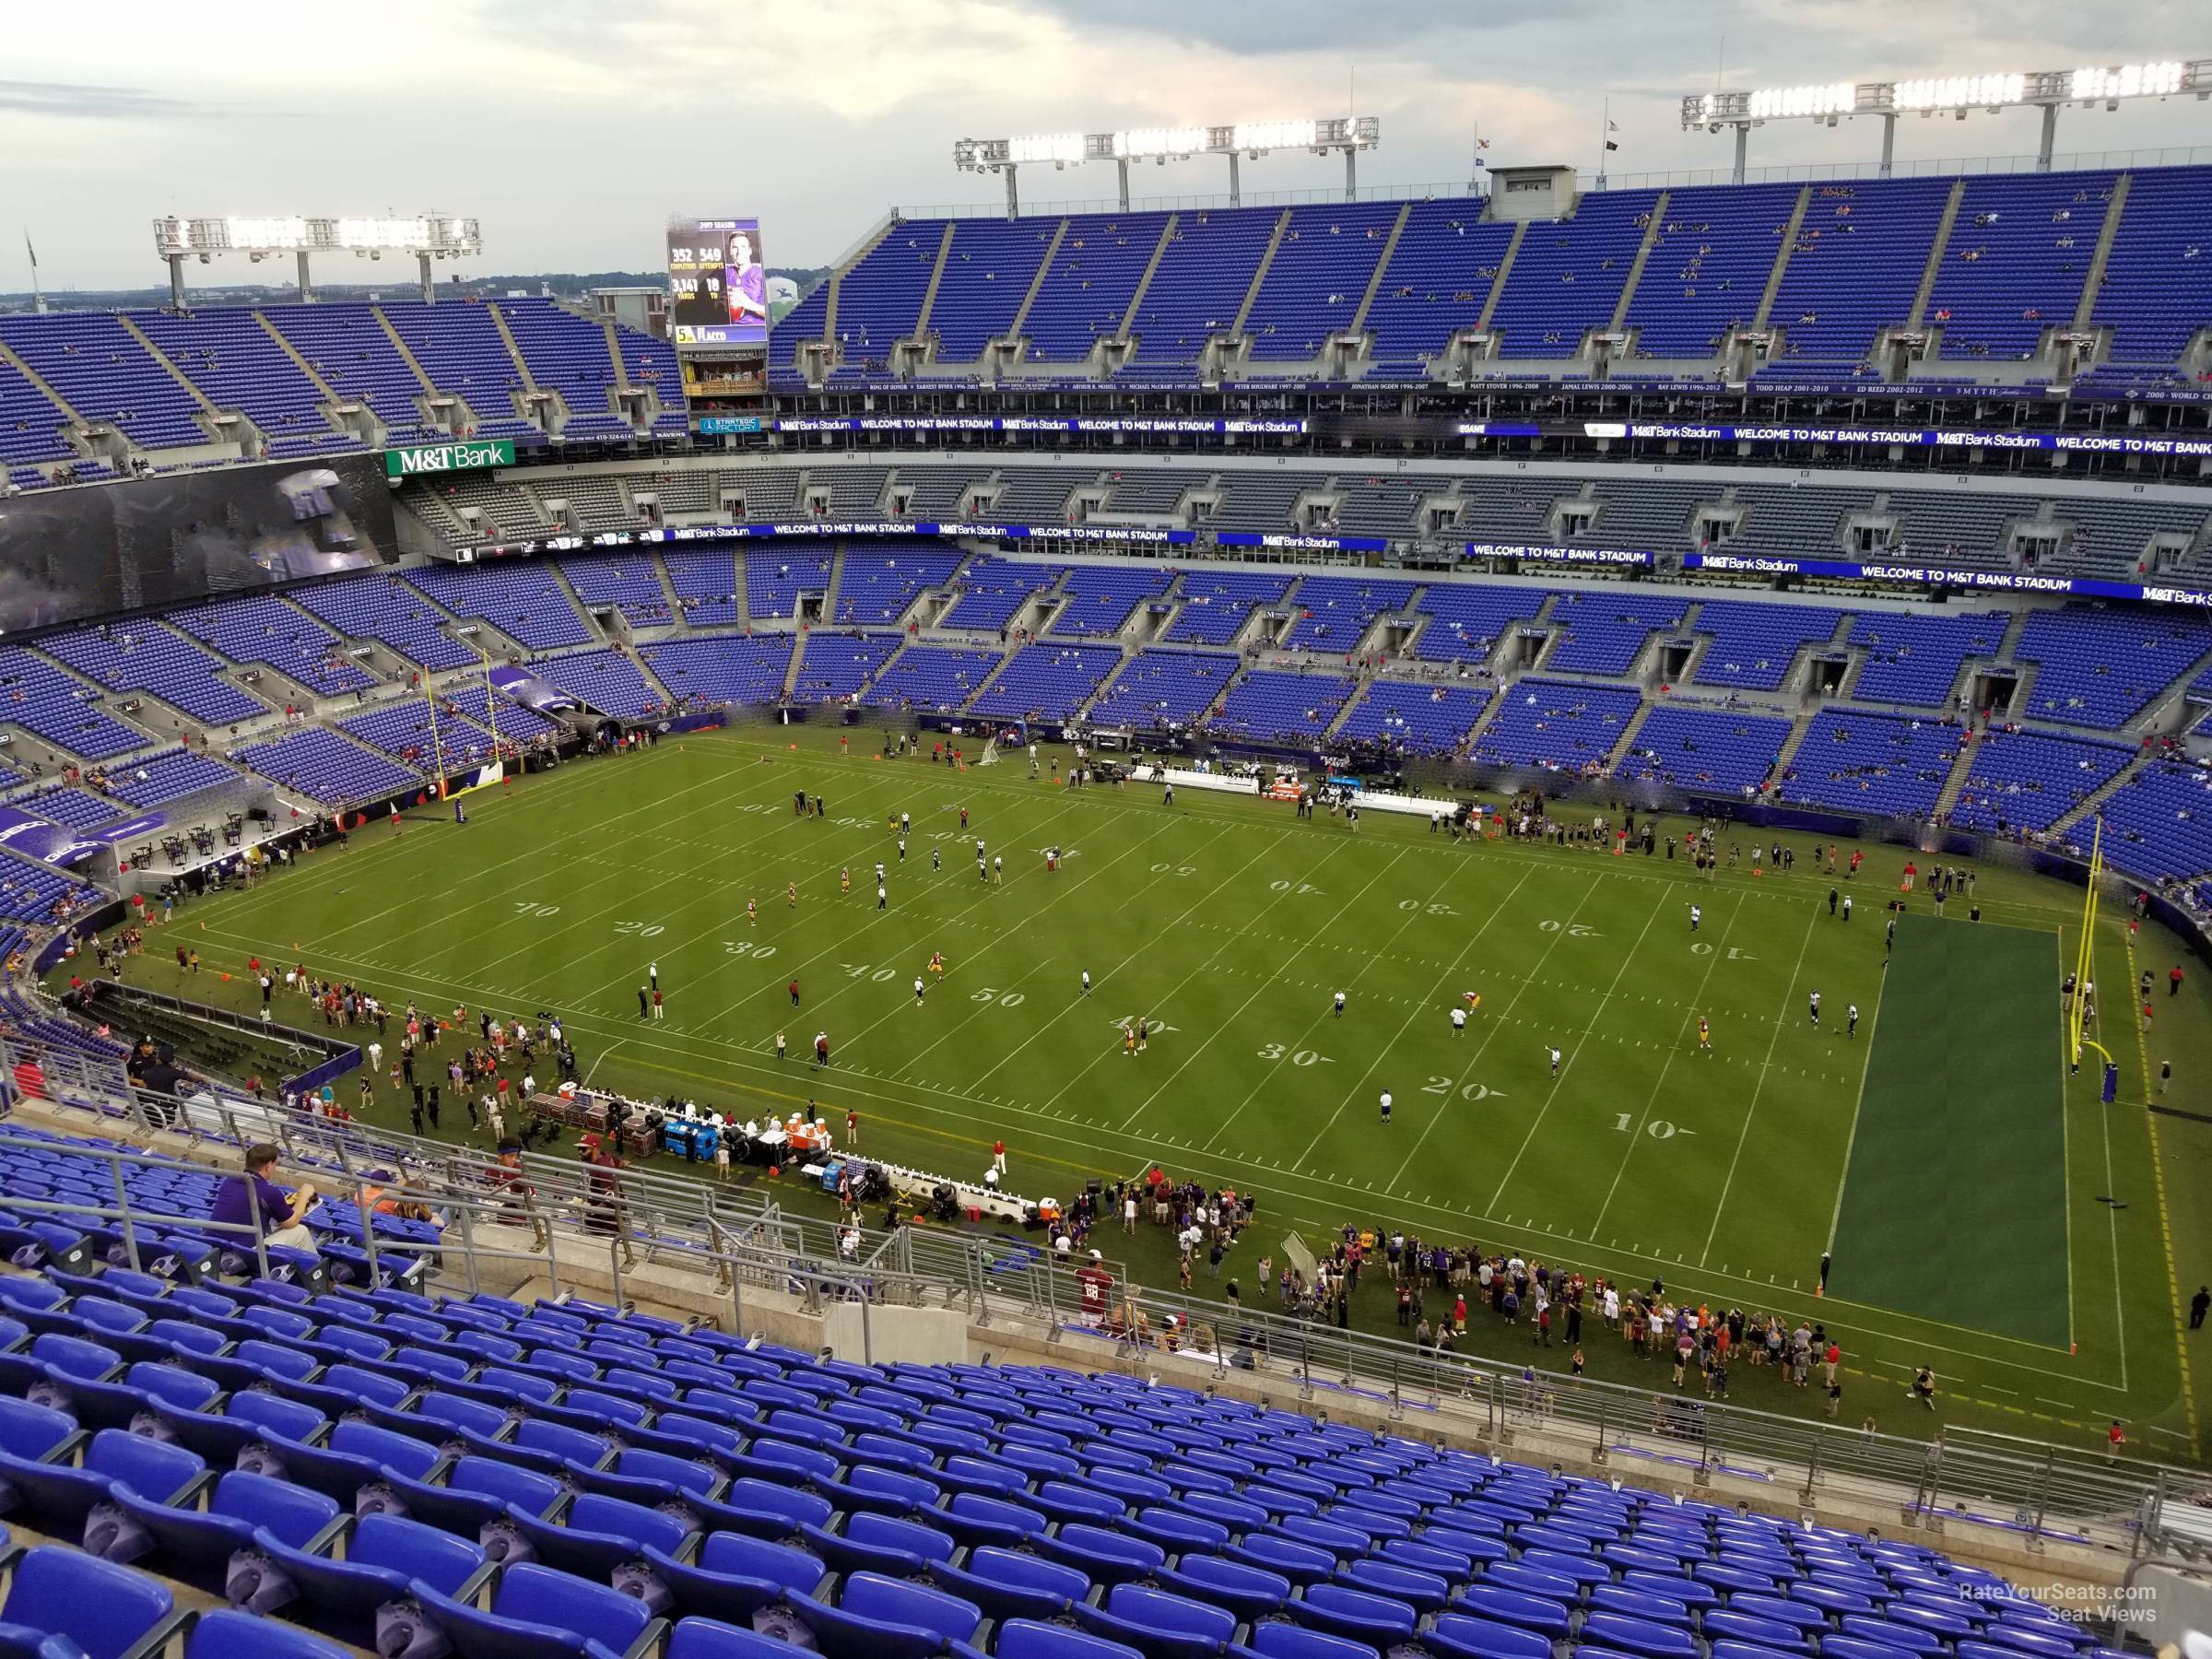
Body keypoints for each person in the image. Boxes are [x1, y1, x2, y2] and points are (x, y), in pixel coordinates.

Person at [212, 1143, 318, 1253]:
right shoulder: (268, 1191)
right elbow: (291, 1222)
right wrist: (303, 1196)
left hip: (215, 1245)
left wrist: (282, 1203)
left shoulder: (229, 1181)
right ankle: (317, 1268)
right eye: (275, 1164)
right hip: (243, 1252)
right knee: (300, 1231)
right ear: (268, 1166)